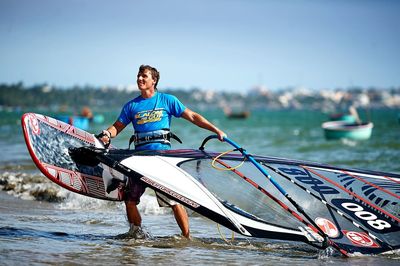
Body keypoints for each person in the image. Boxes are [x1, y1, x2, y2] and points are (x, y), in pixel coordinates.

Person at [99, 65, 226, 239]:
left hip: (162, 160)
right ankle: (136, 235)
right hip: (140, 160)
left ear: (154, 80)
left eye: (144, 76)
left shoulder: (167, 100)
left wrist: (215, 130)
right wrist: (107, 134)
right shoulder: (131, 106)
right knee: (130, 200)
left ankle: (187, 238)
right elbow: (117, 127)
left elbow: (193, 116)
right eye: (138, 76)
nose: (140, 79)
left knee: (174, 200)